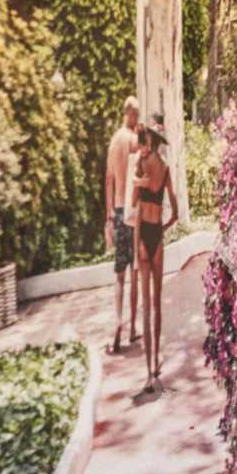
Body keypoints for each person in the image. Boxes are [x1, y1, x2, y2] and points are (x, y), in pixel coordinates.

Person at [133, 125, 178, 393]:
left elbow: (136, 204)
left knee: (146, 307)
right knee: (156, 304)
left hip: (142, 238)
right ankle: (158, 358)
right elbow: (175, 213)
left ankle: (149, 373)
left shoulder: (141, 164)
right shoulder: (166, 169)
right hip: (157, 236)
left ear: (151, 140)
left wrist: (138, 239)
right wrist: (163, 228)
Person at [102, 96, 141, 353]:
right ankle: (133, 327)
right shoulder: (134, 140)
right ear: (133, 114)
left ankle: (117, 320)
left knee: (119, 274)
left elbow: (108, 180)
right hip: (133, 212)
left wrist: (108, 215)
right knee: (135, 271)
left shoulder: (114, 140)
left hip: (117, 211)